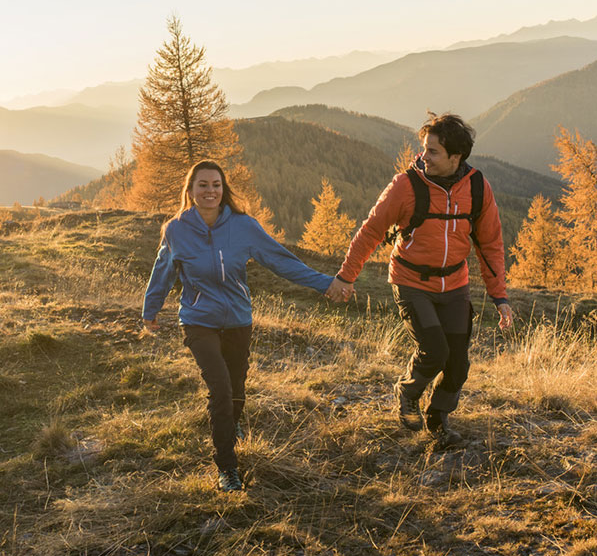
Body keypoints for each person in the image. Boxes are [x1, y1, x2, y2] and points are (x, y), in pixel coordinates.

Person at [143, 160, 343, 492]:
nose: (210, 191)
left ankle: (231, 424)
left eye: (216, 185)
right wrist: (151, 309)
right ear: (190, 191)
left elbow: (281, 261)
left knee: (236, 390)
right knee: (220, 390)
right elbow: (162, 270)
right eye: (203, 185)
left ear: (224, 190)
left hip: (237, 320)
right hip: (198, 321)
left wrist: (325, 284)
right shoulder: (176, 229)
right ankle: (227, 467)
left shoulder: (244, 226)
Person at [327, 112, 513, 447]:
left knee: (458, 364)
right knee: (434, 350)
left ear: (456, 157)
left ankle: (438, 419)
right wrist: (346, 276)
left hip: (455, 285)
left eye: (434, 152)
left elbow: (490, 244)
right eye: (424, 149)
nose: (424, 156)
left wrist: (500, 297)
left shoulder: (476, 187)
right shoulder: (406, 186)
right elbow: (371, 230)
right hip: (411, 281)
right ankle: (408, 393)